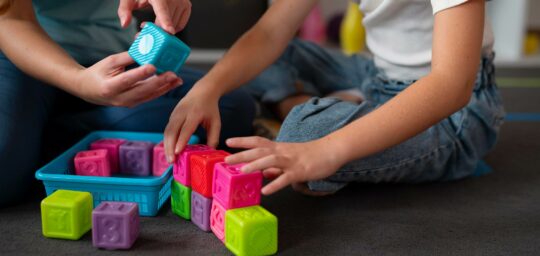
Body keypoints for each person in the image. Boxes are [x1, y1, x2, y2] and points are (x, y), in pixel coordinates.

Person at [164, 0, 505, 196]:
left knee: (303, 136)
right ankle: (338, 105)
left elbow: (451, 85)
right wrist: (206, 88)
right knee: (276, 57)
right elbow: (270, 32)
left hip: (455, 112)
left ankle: (336, 114)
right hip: (378, 75)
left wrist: (326, 150)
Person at [0, 0, 255, 206]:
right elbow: (11, 18)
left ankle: (48, 131)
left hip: (113, 53)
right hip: (26, 57)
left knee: (230, 108)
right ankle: (58, 129)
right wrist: (79, 82)